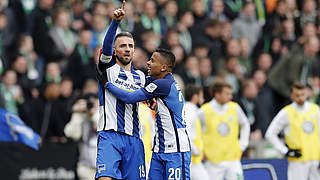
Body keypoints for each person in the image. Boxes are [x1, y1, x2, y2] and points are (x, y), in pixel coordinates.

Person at [100, 48, 191, 179]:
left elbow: (129, 98)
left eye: (153, 61)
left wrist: (107, 84)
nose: (148, 63)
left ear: (163, 67)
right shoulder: (163, 83)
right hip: (159, 149)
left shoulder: (163, 85)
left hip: (176, 150)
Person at [95, 1, 147, 179]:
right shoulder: (108, 68)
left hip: (134, 139)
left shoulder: (141, 77)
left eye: (131, 46)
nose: (127, 49)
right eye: (123, 46)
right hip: (110, 135)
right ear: (115, 51)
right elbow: (107, 46)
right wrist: (115, 23)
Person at [265, 82, 320, 180]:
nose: (300, 98)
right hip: (297, 161)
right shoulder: (286, 112)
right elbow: (270, 134)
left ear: (307, 93)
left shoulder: (315, 110)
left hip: (315, 160)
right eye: (297, 95)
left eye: (302, 94)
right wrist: (285, 151)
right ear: (292, 96)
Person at [198, 81, 250, 180]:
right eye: (227, 94)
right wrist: (200, 149)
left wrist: (243, 144)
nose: (230, 96)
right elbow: (193, 130)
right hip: (213, 162)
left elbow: (245, 124)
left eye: (231, 93)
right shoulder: (204, 111)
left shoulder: (234, 107)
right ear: (217, 95)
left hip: (233, 159)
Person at [184, 85, 209, 180]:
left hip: (193, 159)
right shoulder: (190, 110)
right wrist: (195, 150)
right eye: (201, 96)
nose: (202, 98)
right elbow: (185, 131)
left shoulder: (193, 110)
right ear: (195, 97)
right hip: (192, 160)